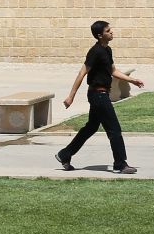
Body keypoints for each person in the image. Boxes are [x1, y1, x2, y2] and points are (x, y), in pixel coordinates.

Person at [57, 20, 145, 174]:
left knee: (90, 128)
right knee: (114, 129)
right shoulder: (95, 51)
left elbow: (113, 71)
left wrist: (133, 80)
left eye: (111, 30)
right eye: (108, 31)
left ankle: (64, 154)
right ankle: (120, 164)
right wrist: (71, 96)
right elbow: (82, 73)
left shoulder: (107, 50)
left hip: (102, 93)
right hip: (98, 94)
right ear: (99, 35)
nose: (112, 32)